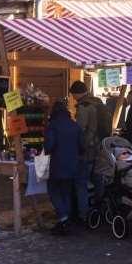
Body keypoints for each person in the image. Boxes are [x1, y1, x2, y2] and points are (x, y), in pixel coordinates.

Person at [69, 80, 112, 216]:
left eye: (73, 94)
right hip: (101, 147)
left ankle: (84, 214)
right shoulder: (98, 102)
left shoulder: (84, 106)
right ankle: (100, 209)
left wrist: (79, 146)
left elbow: (80, 129)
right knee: (98, 179)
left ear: (77, 93)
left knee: (81, 182)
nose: (72, 97)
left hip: (88, 149)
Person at [44, 100, 84, 235]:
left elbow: (49, 146)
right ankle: (65, 221)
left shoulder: (53, 125)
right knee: (66, 192)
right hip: (73, 165)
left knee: (53, 191)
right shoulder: (75, 125)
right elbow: (82, 146)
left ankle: (63, 218)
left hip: (57, 164)